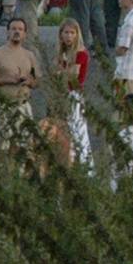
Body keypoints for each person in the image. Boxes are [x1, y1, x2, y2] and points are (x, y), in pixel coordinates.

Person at [0, 17, 42, 151]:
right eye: (13, 29)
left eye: (20, 29)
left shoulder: (30, 55)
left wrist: (30, 82)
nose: (17, 32)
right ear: (7, 32)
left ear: (25, 34)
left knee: (24, 145)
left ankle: (20, 172)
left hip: (23, 106)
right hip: (4, 106)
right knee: (1, 146)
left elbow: (39, 81)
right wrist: (6, 80)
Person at [54, 18, 92, 171]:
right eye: (66, 33)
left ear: (77, 35)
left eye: (72, 33)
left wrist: (61, 71)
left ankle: (84, 165)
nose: (69, 36)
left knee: (78, 130)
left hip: (74, 94)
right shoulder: (62, 53)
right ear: (61, 35)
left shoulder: (80, 53)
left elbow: (73, 75)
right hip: (62, 93)